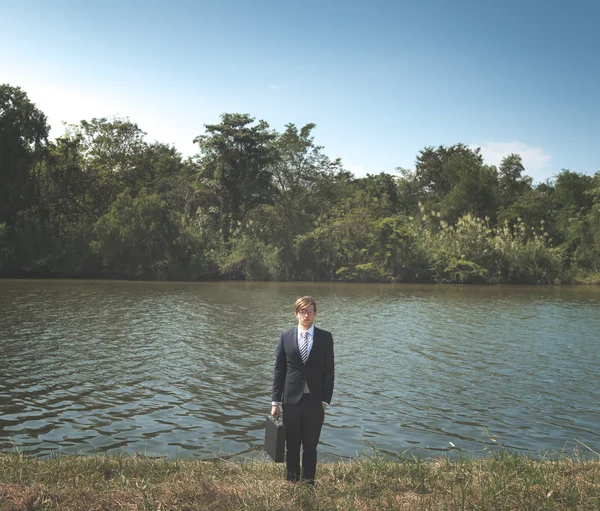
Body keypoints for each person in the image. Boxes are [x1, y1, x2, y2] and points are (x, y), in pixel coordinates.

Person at [271, 296, 335, 484]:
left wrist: (325, 401)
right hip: (291, 401)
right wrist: (275, 402)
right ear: (296, 314)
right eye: (302, 311)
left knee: (310, 446)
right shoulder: (285, 337)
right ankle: (292, 482)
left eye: (309, 311)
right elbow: (279, 370)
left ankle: (308, 483)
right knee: (292, 445)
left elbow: (329, 371)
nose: (306, 315)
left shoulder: (325, 337)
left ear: (315, 313)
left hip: (315, 401)